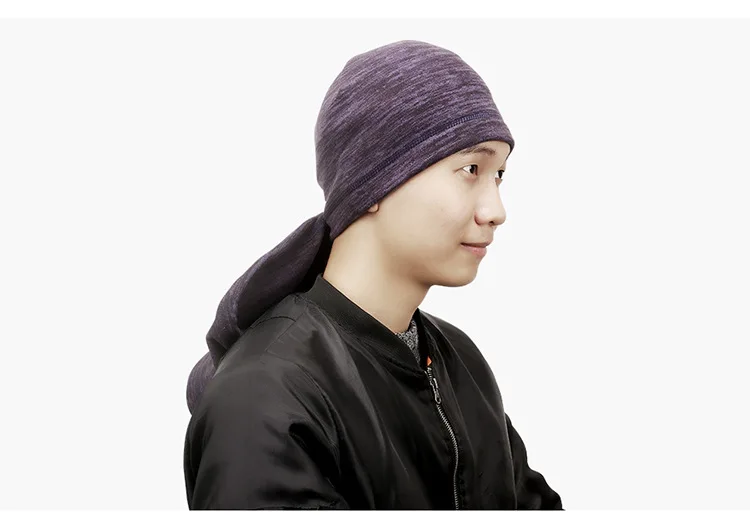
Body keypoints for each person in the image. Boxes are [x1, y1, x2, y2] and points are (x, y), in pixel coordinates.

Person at [183, 39, 563, 510]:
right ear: (375, 182)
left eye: (500, 174)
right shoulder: (266, 393)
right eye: (471, 169)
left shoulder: (461, 362)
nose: (496, 210)